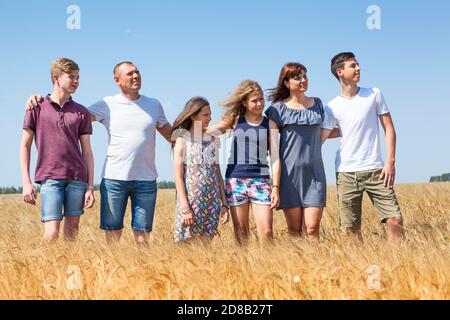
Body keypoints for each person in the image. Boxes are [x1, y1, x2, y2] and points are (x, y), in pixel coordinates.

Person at [25, 61, 173, 246]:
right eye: (130, 73)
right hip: (114, 179)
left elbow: (171, 135)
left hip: (146, 179)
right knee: (112, 237)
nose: (136, 76)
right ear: (117, 80)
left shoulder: (154, 105)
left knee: (143, 238)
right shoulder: (107, 104)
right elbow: (70, 114)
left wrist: (198, 132)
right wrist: (38, 99)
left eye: (137, 72)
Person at [321, 52, 403, 241]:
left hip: (377, 169)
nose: (358, 68)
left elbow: (389, 128)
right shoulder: (331, 107)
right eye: (353, 65)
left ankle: (398, 263)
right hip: (346, 172)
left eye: (358, 65)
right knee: (350, 229)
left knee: (394, 219)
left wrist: (390, 162)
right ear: (340, 72)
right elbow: (322, 137)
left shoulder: (374, 94)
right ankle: (357, 268)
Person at [20, 57, 95, 243]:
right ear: (56, 78)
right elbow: (25, 146)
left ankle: (67, 271)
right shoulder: (36, 107)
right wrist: (26, 182)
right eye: (71, 77)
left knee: (72, 234)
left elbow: (87, 152)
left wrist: (90, 186)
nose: (76, 81)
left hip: (77, 178)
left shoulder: (81, 112)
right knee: (51, 233)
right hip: (50, 177)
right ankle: (45, 271)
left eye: (78, 77)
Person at [208, 80, 281, 244]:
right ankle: (244, 268)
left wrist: (275, 187)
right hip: (235, 182)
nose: (259, 103)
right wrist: (188, 128)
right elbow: (210, 131)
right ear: (244, 102)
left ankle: (269, 266)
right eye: (254, 100)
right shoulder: (234, 120)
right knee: (241, 234)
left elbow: (275, 158)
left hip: (261, 181)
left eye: (261, 99)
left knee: (267, 232)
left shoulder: (269, 124)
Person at [265, 63, 332, 241]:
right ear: (286, 83)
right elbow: (274, 151)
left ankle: (318, 267)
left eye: (305, 76)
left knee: (312, 228)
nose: (303, 80)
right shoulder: (276, 110)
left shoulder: (318, 104)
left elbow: (328, 130)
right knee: (295, 231)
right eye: (297, 77)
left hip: (315, 174)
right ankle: (298, 267)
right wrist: (276, 187)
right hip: (290, 177)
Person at [171, 97, 229, 242]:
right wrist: (185, 209)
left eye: (210, 114)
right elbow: (178, 177)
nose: (209, 118)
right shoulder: (182, 140)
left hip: (211, 204)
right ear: (193, 116)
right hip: (191, 204)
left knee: (205, 251)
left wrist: (224, 204)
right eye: (205, 115)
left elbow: (217, 173)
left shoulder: (212, 140)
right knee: (185, 246)